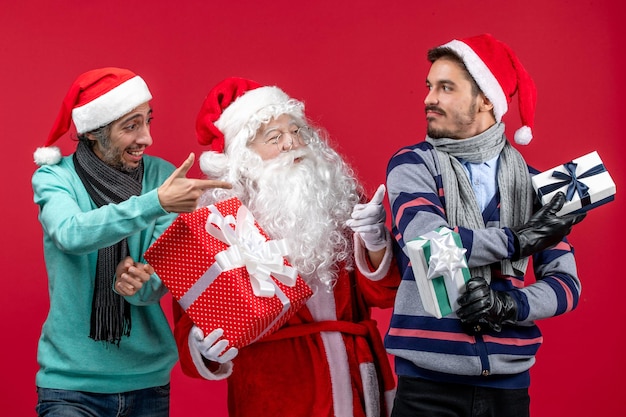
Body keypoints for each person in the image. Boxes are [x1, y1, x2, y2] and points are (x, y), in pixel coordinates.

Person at [172, 77, 401, 417]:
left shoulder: (340, 198)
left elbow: (382, 295)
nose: (292, 143)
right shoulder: (216, 223)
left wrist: (376, 242)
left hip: (352, 379)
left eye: (296, 131)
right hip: (275, 388)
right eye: (274, 137)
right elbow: (189, 321)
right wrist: (202, 344)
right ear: (245, 156)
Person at [384, 34, 586, 417]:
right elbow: (430, 244)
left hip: (508, 390)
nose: (429, 98)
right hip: (426, 385)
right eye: (430, 87)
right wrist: (519, 239)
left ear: (487, 99)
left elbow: (568, 284)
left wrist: (510, 305)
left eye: (446, 88)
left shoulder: (537, 185)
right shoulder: (412, 164)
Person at [32, 67, 231, 417]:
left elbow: (157, 281)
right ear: (94, 133)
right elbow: (70, 233)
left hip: (146, 384)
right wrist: (155, 202)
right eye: (131, 126)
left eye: (147, 121)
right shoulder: (55, 177)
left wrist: (140, 284)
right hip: (70, 385)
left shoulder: (160, 176)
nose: (147, 138)